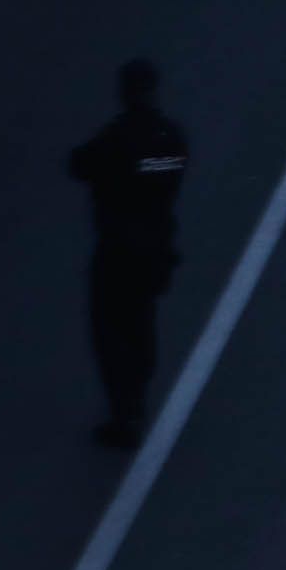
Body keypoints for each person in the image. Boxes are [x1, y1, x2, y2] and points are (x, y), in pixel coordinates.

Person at [70, 58, 184, 445]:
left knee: (109, 330)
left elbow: (79, 165)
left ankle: (125, 413)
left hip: (118, 249)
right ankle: (137, 397)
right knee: (141, 324)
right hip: (155, 247)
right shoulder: (171, 137)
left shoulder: (116, 138)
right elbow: (171, 175)